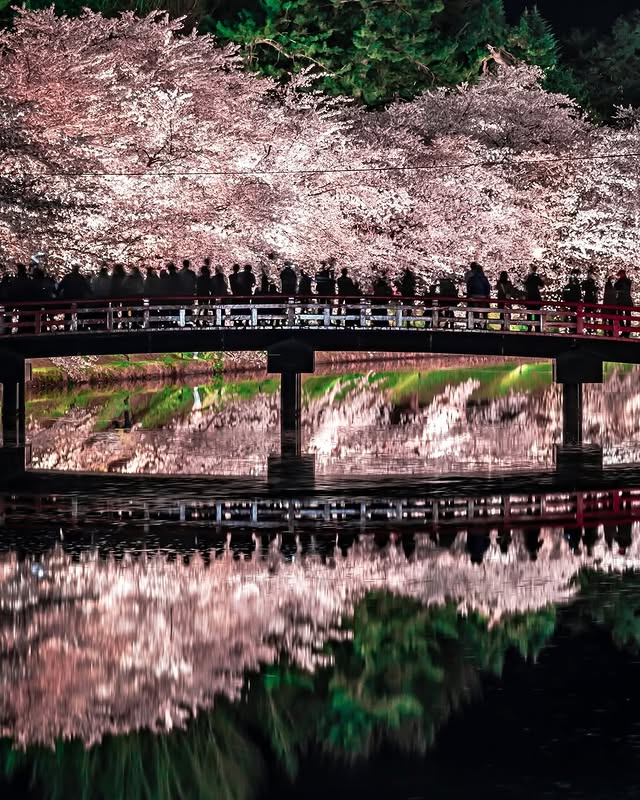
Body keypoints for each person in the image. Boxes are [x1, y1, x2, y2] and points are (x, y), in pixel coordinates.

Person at [465, 261, 490, 329]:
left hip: (474, 296)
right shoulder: (484, 278)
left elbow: (469, 287)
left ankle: (476, 324)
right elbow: (487, 287)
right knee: (484, 311)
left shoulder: (471, 278)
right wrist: (486, 295)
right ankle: (485, 324)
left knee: (475, 311)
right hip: (483, 297)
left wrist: (470, 294)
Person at [524, 264, 544, 332]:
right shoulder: (536, 277)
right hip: (536, 297)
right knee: (536, 314)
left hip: (530, 297)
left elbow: (526, 285)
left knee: (529, 313)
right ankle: (537, 328)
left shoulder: (530, 277)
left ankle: (529, 328)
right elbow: (542, 284)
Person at [614, 269, 633, 337]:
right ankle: (626, 331)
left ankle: (625, 331)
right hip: (626, 300)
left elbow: (616, 287)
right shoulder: (627, 281)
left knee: (622, 316)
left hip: (622, 300)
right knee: (626, 316)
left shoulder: (623, 281)